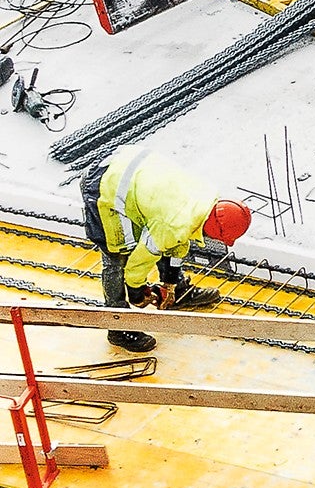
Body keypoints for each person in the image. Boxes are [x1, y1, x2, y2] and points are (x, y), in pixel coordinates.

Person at [82, 148, 250, 352]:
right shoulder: (175, 223)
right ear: (215, 230)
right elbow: (142, 259)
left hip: (127, 167)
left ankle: (178, 292)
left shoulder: (203, 199)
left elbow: (178, 238)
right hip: (104, 185)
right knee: (116, 255)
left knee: (163, 236)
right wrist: (137, 292)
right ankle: (118, 325)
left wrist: (169, 284)